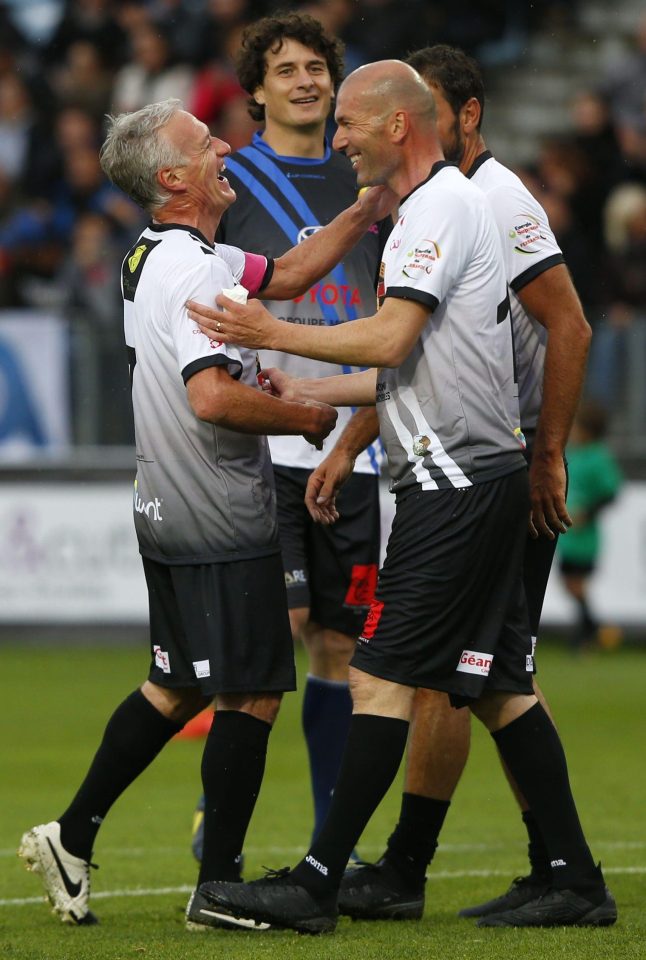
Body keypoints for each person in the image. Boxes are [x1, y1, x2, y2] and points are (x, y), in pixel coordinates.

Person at [187, 60, 615, 933]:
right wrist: (303, 391)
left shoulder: (445, 207)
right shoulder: (434, 209)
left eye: (347, 120)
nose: (335, 136)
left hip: (454, 485)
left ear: (396, 127)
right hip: (467, 475)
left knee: (378, 674)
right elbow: (406, 369)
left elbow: (391, 339)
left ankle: (316, 882)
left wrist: (274, 328)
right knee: (495, 681)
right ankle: (572, 876)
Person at [16, 96, 394, 929]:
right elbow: (215, 397)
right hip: (219, 511)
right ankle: (218, 887)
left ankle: (71, 836)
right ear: (175, 177)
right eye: (204, 141)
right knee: (253, 693)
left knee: (175, 684)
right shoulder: (196, 270)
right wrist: (303, 416)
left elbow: (289, 276)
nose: (224, 145)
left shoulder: (161, 256)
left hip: (162, 505)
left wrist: (365, 208)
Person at [324, 43, 597, 924]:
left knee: (467, 673)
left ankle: (417, 866)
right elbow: (422, 360)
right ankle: (554, 871)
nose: (428, 125)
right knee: (482, 676)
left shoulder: (489, 196)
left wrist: (547, 451)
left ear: (464, 116)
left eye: (435, 107)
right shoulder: (434, 204)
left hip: (489, 467)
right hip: (470, 457)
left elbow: (571, 325)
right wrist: (347, 443)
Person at [189, 11, 389, 863]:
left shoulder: (371, 177)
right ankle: (222, 828)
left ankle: (323, 848)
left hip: (361, 439)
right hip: (265, 441)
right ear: (257, 88)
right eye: (287, 70)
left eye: (318, 68)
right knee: (276, 630)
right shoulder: (232, 179)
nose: (307, 81)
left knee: (341, 645)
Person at [558, 400, 622, 650]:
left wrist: (589, 512)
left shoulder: (598, 456)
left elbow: (611, 492)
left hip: (584, 537)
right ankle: (592, 631)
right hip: (568, 535)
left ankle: (590, 632)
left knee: (575, 585)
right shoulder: (571, 452)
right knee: (571, 585)